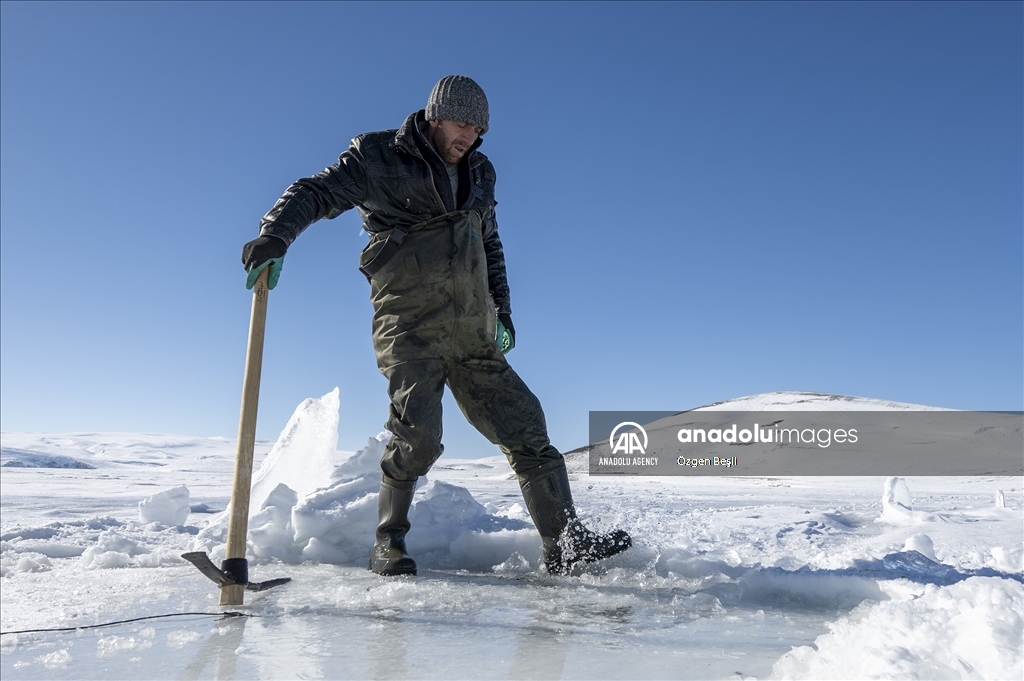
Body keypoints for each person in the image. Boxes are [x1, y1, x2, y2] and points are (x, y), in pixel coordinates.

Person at [241, 75, 630, 576]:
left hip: (471, 325)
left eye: (479, 128)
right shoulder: (377, 155)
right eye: (463, 123)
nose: (470, 136)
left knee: (527, 425)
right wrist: (276, 234)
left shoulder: (481, 172)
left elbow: (490, 245)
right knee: (418, 436)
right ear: (435, 115)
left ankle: (565, 543)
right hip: (409, 321)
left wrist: (503, 311)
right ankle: (388, 541)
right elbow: (315, 192)